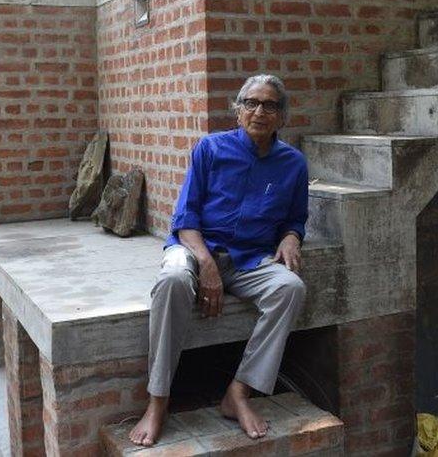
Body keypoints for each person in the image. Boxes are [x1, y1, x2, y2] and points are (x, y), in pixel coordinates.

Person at [129, 74, 309, 446]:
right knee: (173, 280)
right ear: (238, 110)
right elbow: (184, 220)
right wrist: (207, 264)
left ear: (282, 116)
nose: (259, 111)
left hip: (249, 259)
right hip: (195, 249)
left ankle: (238, 393)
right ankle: (158, 400)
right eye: (251, 103)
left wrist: (292, 237)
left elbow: (295, 220)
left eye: (270, 105)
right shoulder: (210, 149)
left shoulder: (293, 164)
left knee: (290, 288)